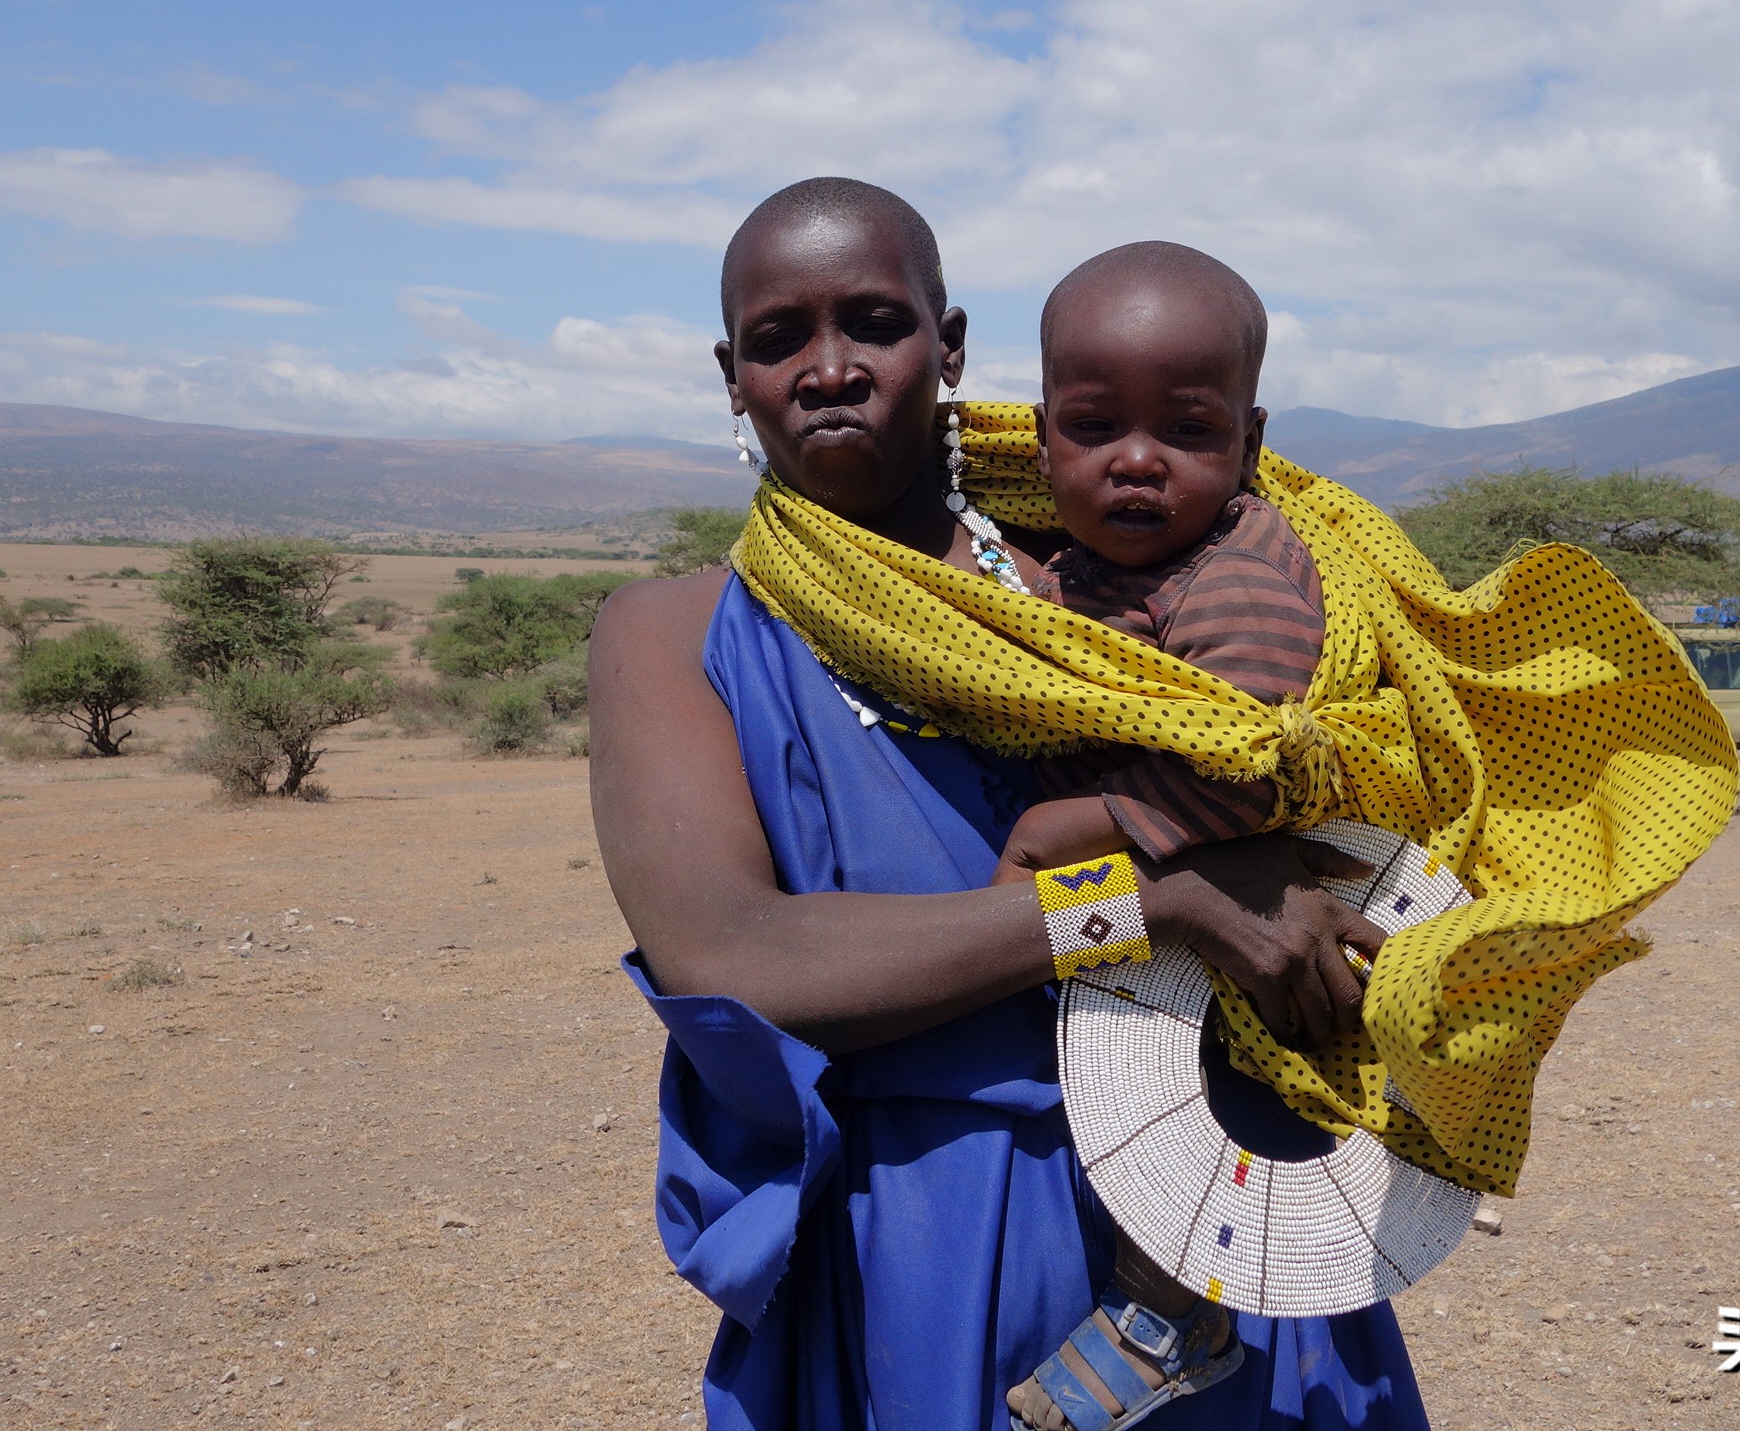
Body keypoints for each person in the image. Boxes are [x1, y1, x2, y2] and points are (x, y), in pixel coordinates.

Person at [588, 179, 1426, 1430]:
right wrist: (1154, 903)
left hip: (1207, 1199)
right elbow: (734, 955)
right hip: (925, 1225)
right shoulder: (673, 633)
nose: (829, 368)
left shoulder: (1105, 582)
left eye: (874, 323)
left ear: (952, 347)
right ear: (733, 374)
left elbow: (1312, 778)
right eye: (778, 340)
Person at [989, 242, 1334, 1428]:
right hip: (1159, 896)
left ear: (1248, 440)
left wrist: (1065, 827)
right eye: (1095, 428)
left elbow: (1251, 775)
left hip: (1231, 910)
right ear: (1043, 438)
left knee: (1197, 1098)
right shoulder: (1124, 565)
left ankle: (1168, 1306)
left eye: (1185, 432)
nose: (1136, 462)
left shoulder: (1237, 582)